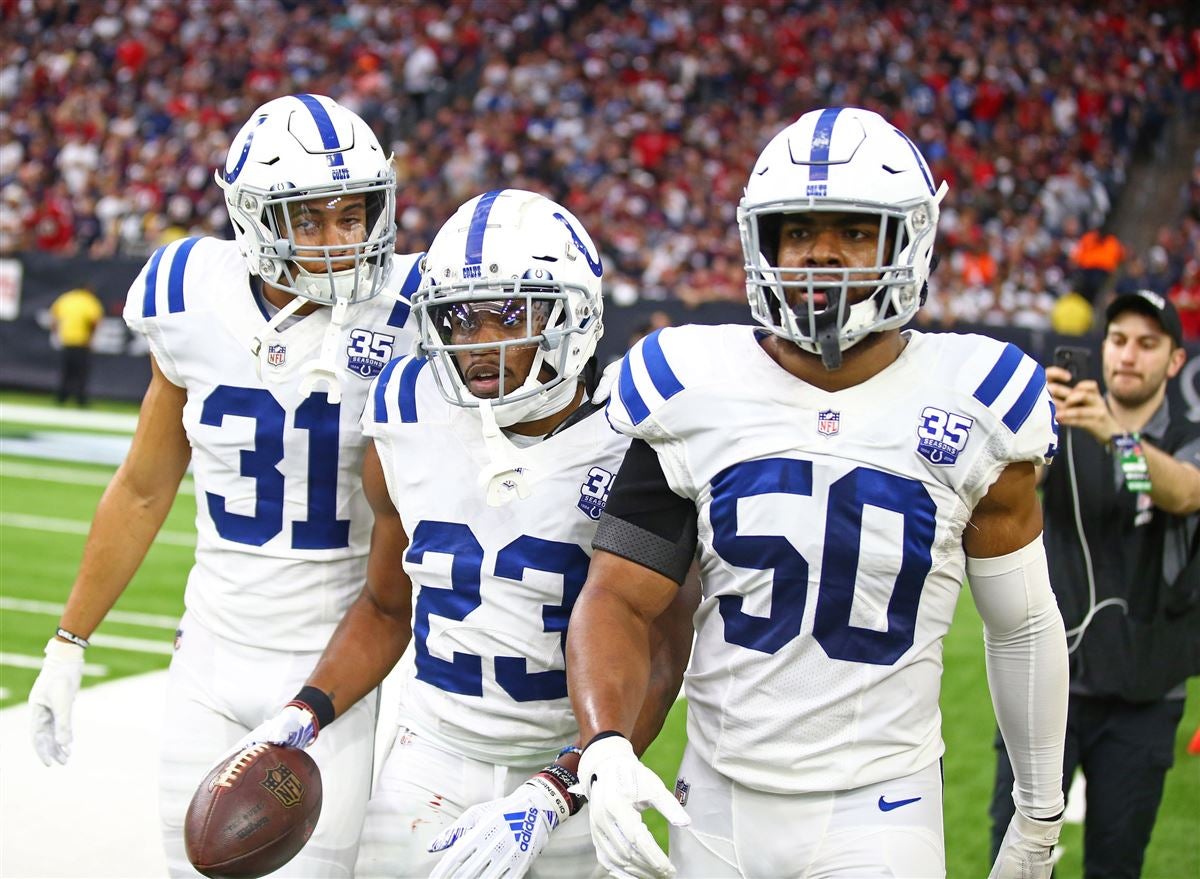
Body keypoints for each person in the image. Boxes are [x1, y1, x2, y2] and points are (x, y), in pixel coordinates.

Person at [564, 106, 1071, 879]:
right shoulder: (691, 386)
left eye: (854, 232)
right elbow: (619, 597)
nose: (821, 256)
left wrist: (1038, 813)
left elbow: (1024, 625)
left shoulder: (978, 398)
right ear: (761, 243)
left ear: (908, 241)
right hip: (715, 800)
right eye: (799, 233)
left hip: (880, 808)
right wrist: (602, 745)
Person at [240, 189, 695, 879]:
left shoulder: (638, 432)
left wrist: (562, 785)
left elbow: (661, 657)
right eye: (458, 317)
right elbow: (387, 606)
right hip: (432, 760)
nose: (482, 341)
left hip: (575, 771)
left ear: (574, 313)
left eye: (510, 312)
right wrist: (305, 711)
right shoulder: (403, 410)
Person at [26, 94, 422, 878]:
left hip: (332, 665)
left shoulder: (411, 309)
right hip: (207, 654)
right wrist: (69, 642)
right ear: (251, 218)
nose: (340, 239)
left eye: (355, 214)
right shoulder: (187, 294)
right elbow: (144, 487)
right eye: (308, 219)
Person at [990, 288, 1200, 879]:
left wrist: (1116, 435)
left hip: (1145, 694)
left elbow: (1181, 492)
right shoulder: (1058, 427)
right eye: (1117, 340)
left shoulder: (1186, 432)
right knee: (1017, 860)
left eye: (1147, 344)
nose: (1128, 356)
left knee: (1116, 863)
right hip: (1045, 688)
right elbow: (1003, 499)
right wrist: (1030, 431)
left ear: (1174, 362)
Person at [48, 283, 105, 406]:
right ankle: (80, 399)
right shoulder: (89, 301)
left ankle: (61, 398)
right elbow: (95, 321)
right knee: (81, 374)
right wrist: (91, 337)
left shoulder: (66, 298)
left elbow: (53, 317)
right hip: (82, 342)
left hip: (66, 341)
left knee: (66, 372)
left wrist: (56, 333)